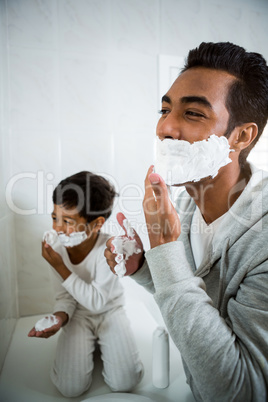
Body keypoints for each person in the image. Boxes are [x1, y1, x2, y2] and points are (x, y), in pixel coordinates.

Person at [105, 42, 268, 401]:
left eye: (193, 113)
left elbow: (242, 391)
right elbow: (202, 299)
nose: (165, 127)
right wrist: (145, 268)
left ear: (241, 135)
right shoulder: (186, 201)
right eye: (165, 109)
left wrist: (164, 245)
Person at [28, 171, 143, 398]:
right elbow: (64, 297)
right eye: (54, 218)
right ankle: (88, 342)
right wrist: (59, 318)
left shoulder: (109, 249)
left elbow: (98, 303)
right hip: (78, 315)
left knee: (125, 383)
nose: (58, 229)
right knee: (70, 388)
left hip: (109, 311)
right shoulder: (56, 247)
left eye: (68, 221)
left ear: (96, 223)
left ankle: (105, 341)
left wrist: (61, 267)